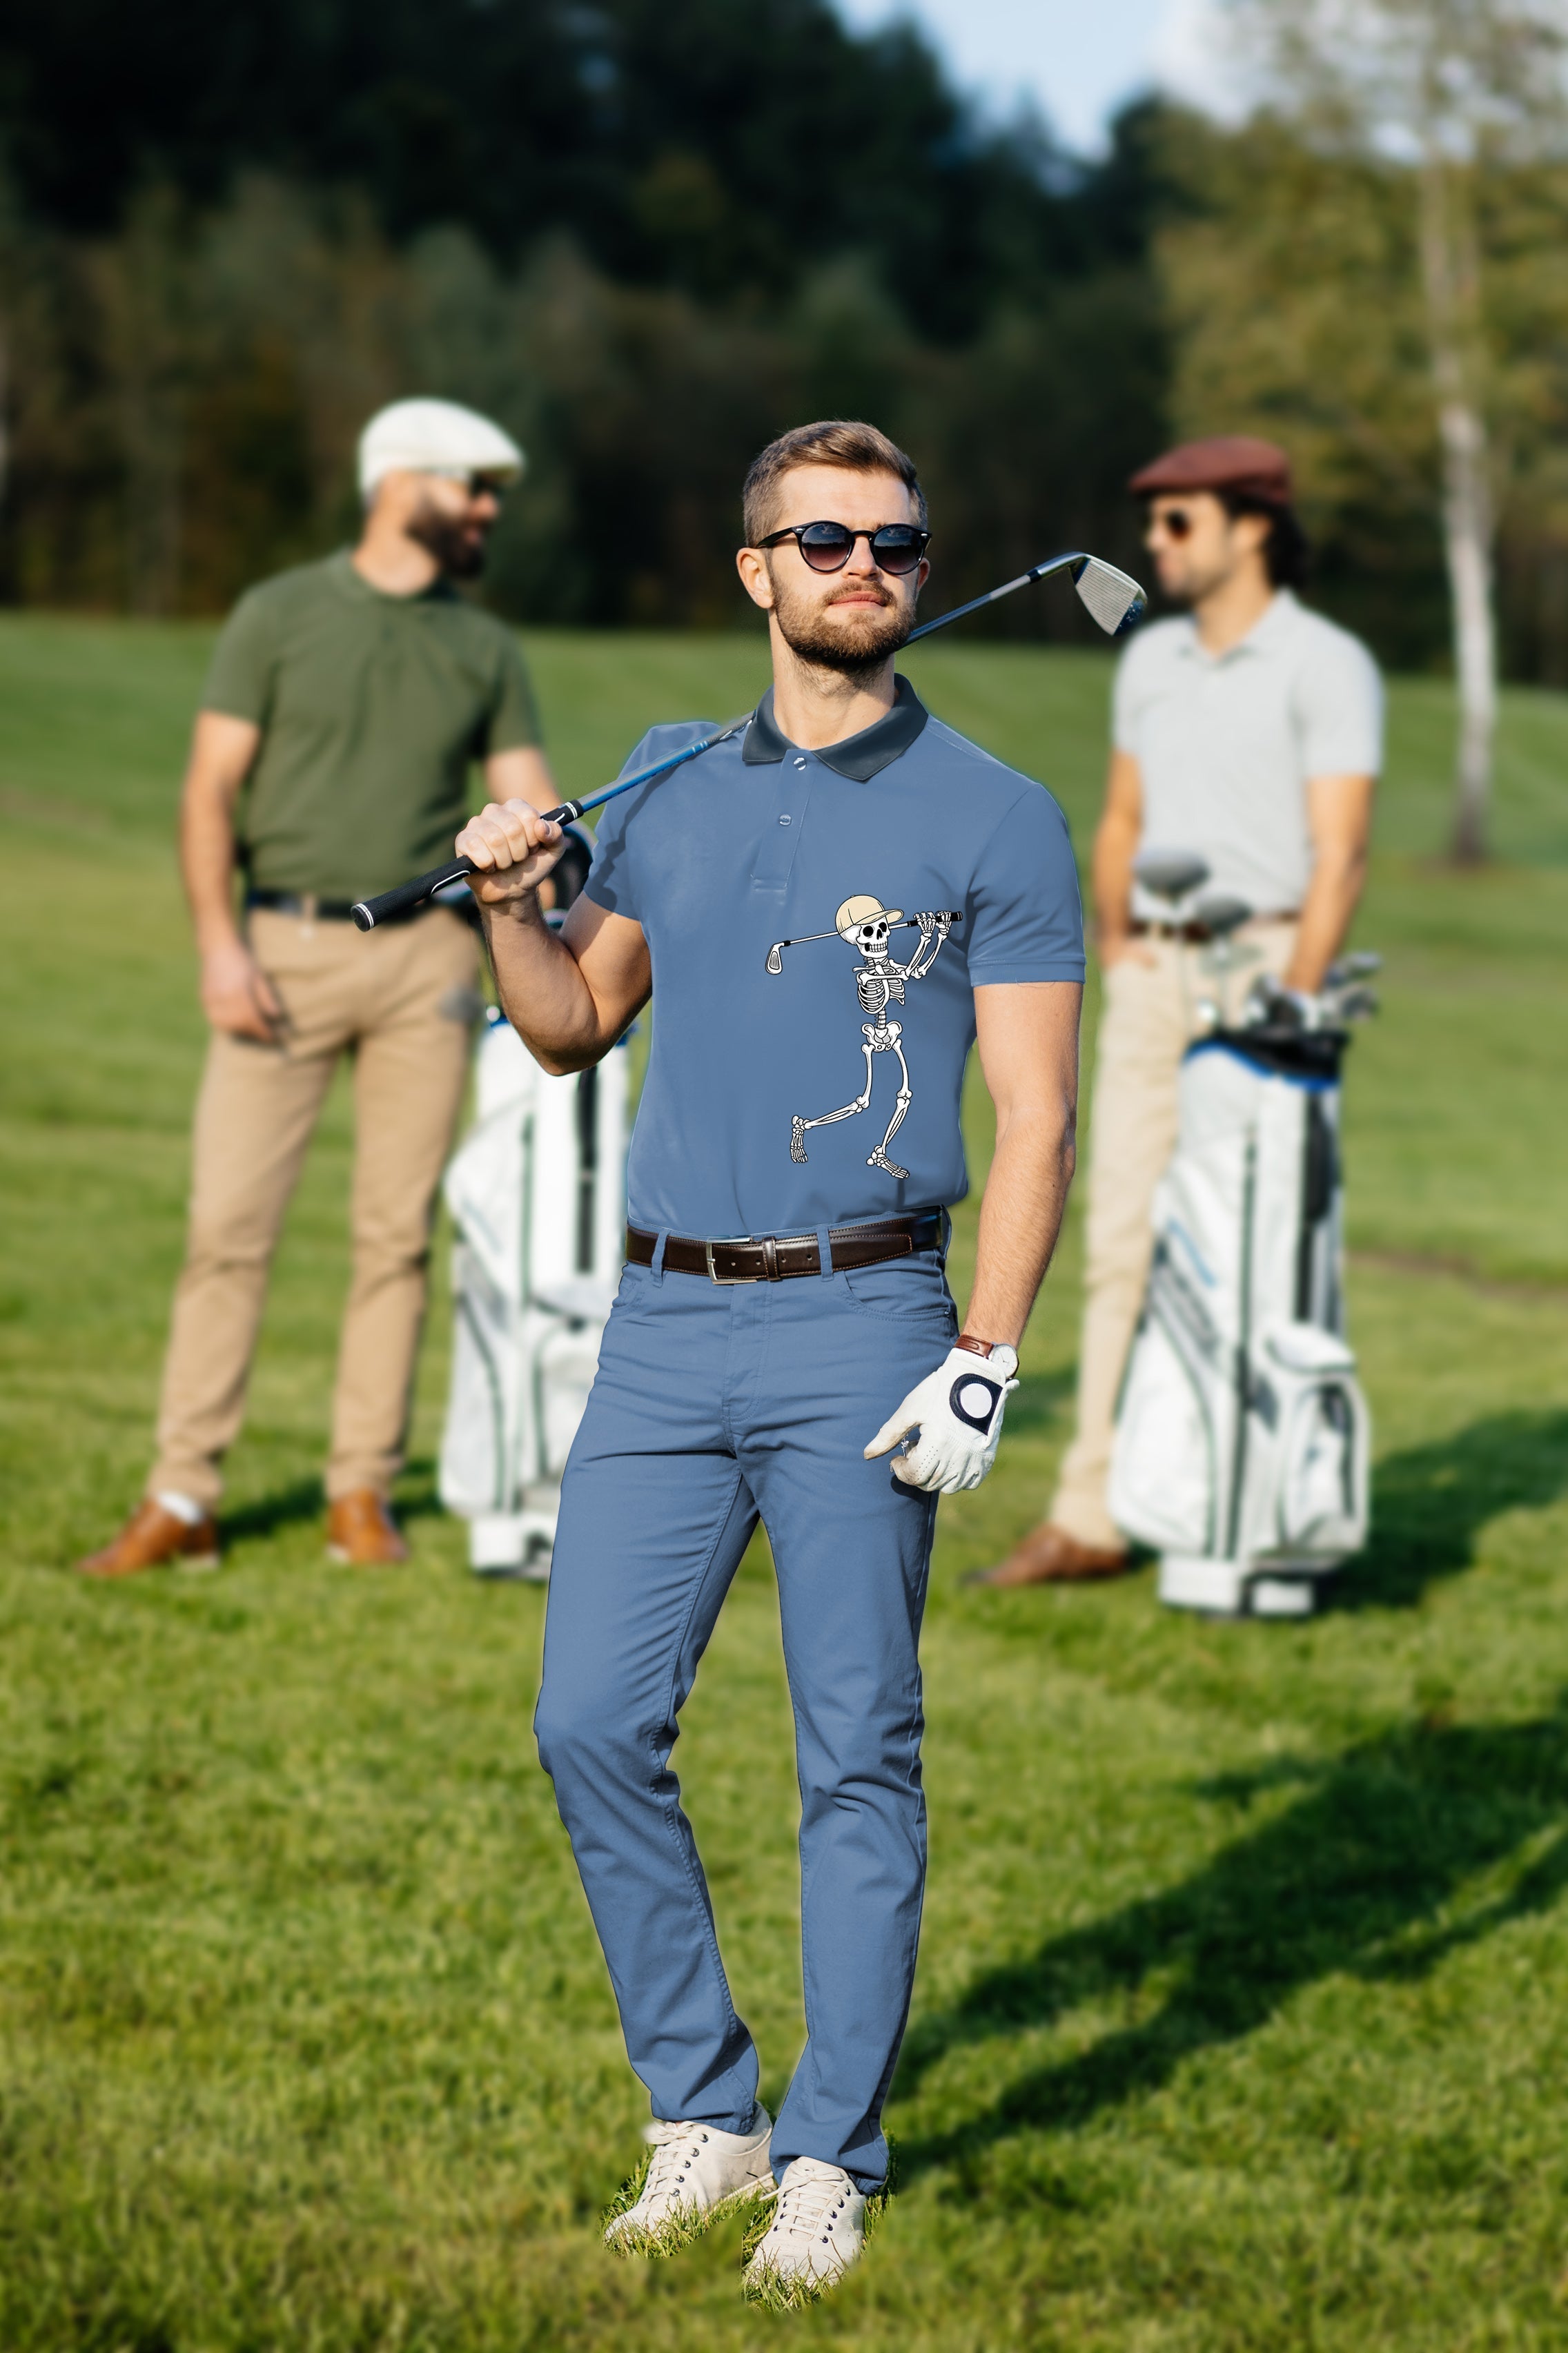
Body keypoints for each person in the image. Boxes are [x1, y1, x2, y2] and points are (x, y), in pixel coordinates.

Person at [453, 420, 1084, 2301]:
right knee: (588, 1719)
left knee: (855, 1752)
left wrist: (986, 1353)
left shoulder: (997, 813)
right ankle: (703, 2109)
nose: (863, 564)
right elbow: (569, 1023)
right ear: (757, 573)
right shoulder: (663, 783)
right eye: (823, 539)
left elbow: (1039, 1113)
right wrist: (508, 903)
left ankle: (828, 2155)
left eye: (894, 540)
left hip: (865, 1319)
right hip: (662, 1323)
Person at [77, 398, 558, 1577]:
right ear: (399, 483)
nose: (487, 510)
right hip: (279, 950)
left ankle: (360, 1495)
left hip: (429, 964)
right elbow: (209, 791)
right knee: (226, 1230)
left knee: (395, 1238)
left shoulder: (485, 647)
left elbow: (534, 801)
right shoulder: (277, 614)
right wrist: (218, 947)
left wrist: (554, 868)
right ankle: (183, 1494)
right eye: (471, 486)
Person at [976, 433, 1382, 1589]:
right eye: (1152, 521)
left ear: (1253, 526)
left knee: (1255, 1248)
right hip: (1155, 975)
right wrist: (1120, 941)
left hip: (1268, 973)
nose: (1154, 542)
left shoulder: (1327, 664)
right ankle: (1094, 1512)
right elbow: (1122, 818)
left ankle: (1250, 1504)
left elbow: (1342, 854)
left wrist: (1295, 999)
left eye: (1179, 520)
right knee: (1119, 1242)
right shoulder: (1150, 660)